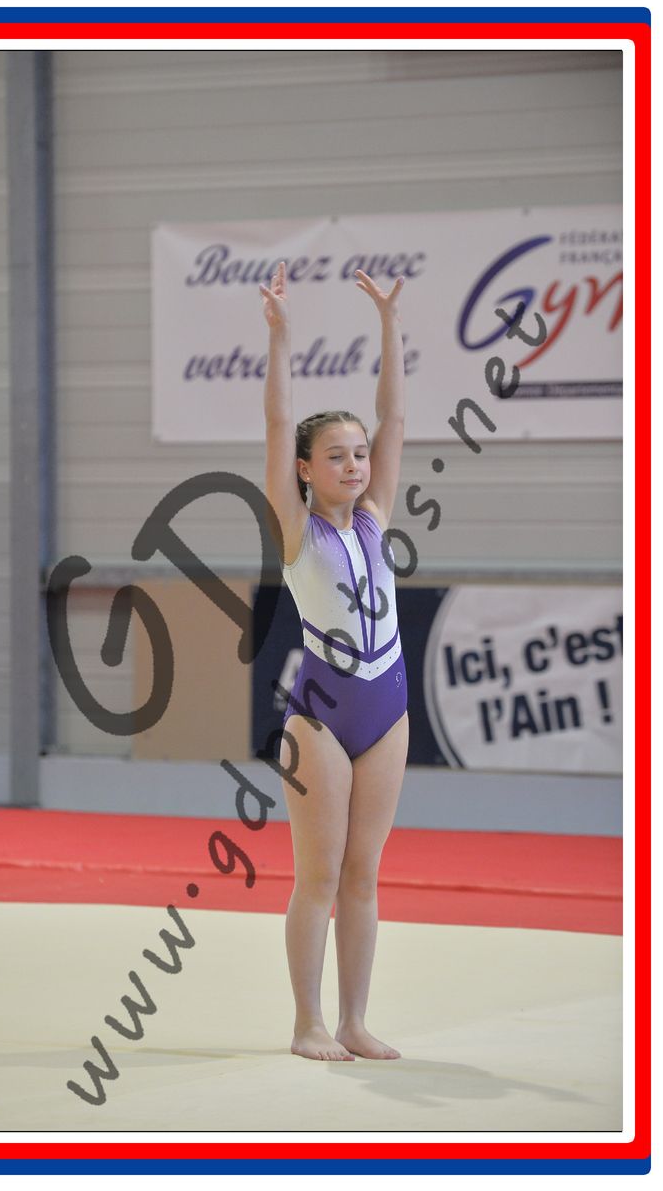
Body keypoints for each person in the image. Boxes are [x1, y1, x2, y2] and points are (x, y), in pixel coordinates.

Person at [259, 260, 408, 1062]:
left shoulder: (376, 516)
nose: (355, 465)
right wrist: (281, 335)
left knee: (363, 875)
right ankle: (306, 1023)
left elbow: (394, 417)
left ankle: (353, 1020)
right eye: (337, 456)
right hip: (320, 714)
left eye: (359, 454)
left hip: (388, 707)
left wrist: (388, 322)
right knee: (317, 877)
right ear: (306, 470)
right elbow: (279, 424)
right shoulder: (297, 531)